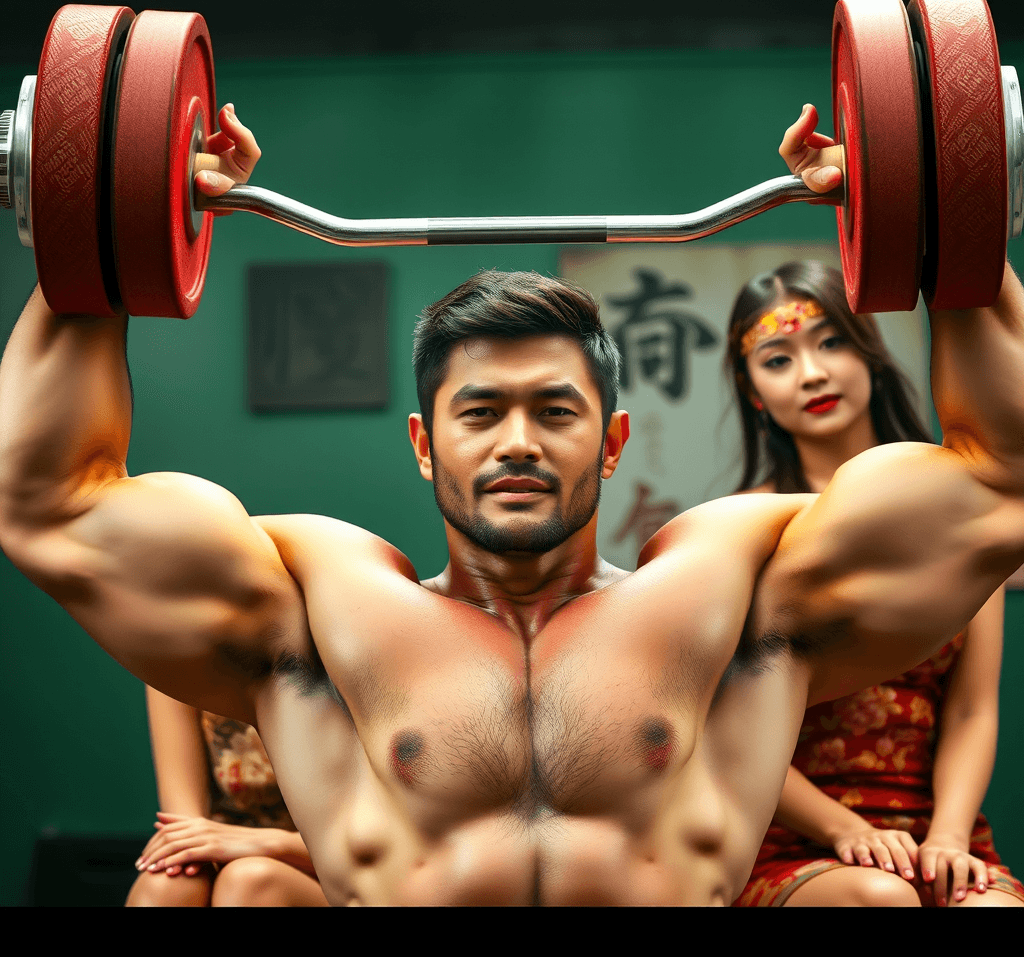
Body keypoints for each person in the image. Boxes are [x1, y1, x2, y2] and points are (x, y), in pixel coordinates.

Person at [2, 101, 1024, 906]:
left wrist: (940, 215)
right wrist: (103, 221)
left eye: (556, 410)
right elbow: (48, 504)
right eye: (480, 410)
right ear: (422, 442)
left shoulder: (731, 595)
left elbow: (997, 481)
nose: (519, 441)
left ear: (613, 439)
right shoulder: (322, 607)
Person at [722, 260, 1024, 907]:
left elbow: (973, 708)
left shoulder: (966, 513)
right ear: (753, 391)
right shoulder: (742, 537)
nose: (812, 373)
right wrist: (845, 828)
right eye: (777, 360)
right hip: (794, 837)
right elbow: (720, 728)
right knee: (879, 901)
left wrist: (948, 835)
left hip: (937, 825)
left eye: (831, 342)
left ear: (870, 351)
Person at [125, 685, 328, 906]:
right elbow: (183, 827)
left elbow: (367, 844)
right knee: (166, 886)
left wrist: (272, 844)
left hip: (344, 872)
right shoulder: (175, 656)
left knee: (250, 883)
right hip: (224, 858)